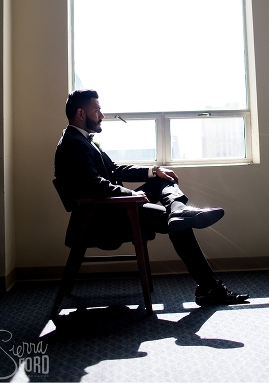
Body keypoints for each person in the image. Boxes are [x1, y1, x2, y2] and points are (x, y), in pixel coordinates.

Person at [54, 89, 249, 306]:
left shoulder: (81, 141)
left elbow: (115, 170)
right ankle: (209, 288)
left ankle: (178, 209)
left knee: (162, 180)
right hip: (103, 218)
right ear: (81, 114)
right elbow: (93, 185)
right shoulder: (73, 144)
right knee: (179, 224)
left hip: (113, 209)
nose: (102, 115)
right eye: (97, 110)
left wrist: (153, 171)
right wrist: (131, 194)